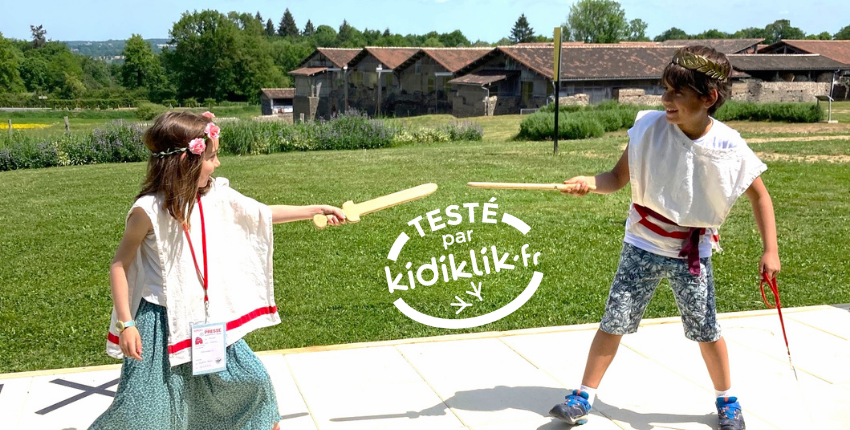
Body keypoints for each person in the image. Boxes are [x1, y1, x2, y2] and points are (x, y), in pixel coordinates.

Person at [549, 46, 780, 430]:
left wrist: (770, 250)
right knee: (613, 321)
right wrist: (587, 183)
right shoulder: (648, 128)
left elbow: (761, 196)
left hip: (691, 251)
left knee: (706, 329)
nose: (665, 99)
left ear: (709, 98)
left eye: (677, 92)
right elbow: (616, 178)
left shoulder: (729, 145)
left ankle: (727, 401)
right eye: (665, 89)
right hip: (641, 243)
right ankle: (583, 397)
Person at [89, 111, 345, 430]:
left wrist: (317, 210)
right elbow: (119, 264)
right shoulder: (147, 211)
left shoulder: (215, 196)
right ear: (186, 161)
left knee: (254, 384)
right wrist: (127, 323)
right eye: (212, 157)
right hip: (158, 326)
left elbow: (262, 214)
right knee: (145, 413)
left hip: (207, 321)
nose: (217, 164)